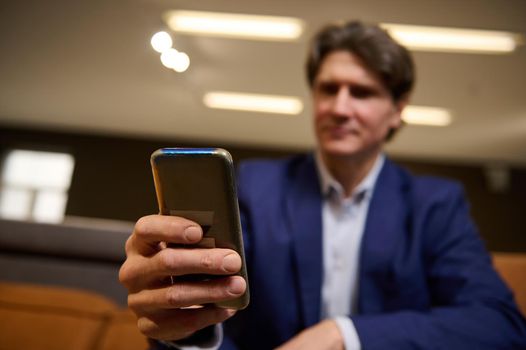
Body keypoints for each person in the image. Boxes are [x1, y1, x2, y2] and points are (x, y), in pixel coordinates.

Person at [119, 21, 526, 349]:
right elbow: (213, 314)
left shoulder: (435, 204)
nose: (339, 107)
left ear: (397, 112)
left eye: (362, 92)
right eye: (328, 88)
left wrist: (344, 335)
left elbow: (498, 322)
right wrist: (187, 327)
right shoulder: (255, 187)